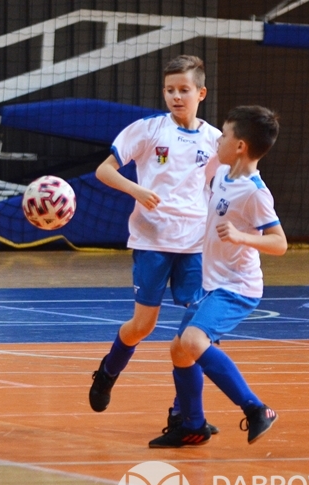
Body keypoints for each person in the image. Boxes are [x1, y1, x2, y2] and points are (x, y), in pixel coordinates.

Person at [88, 55, 221, 435]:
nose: (176, 96)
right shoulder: (148, 130)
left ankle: (185, 413)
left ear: (201, 93)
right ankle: (108, 370)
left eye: (184, 90)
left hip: (195, 244)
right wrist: (137, 190)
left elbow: (221, 188)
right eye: (169, 90)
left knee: (195, 332)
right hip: (152, 240)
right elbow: (104, 170)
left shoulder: (215, 140)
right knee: (142, 326)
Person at [150, 105, 286, 448]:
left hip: (238, 287)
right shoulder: (223, 173)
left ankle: (256, 409)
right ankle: (193, 426)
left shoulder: (254, 192)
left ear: (240, 146)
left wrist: (242, 237)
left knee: (194, 342)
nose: (217, 140)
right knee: (180, 350)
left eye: (224, 136)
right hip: (212, 283)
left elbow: (279, 243)